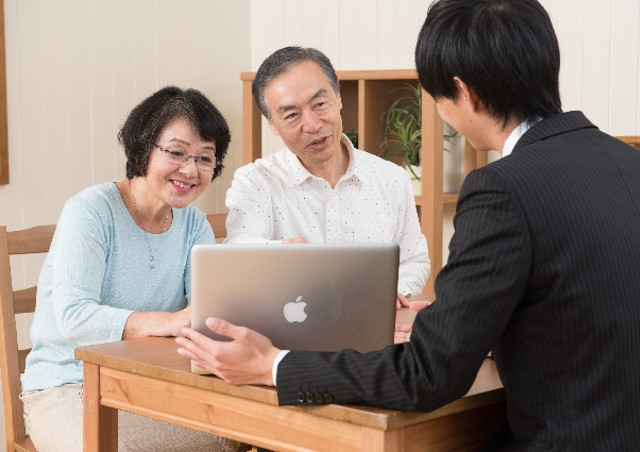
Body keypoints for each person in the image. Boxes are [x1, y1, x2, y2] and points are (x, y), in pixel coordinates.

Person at [175, 0, 640, 449]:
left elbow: (427, 375)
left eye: (437, 97)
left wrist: (273, 365)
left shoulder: (500, 189)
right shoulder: (628, 163)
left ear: (467, 95)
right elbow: (575, 305)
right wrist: (460, 321)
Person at [21, 86, 248, 452]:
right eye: (176, 152)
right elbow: (75, 318)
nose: (190, 170)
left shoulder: (194, 225)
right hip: (67, 384)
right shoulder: (91, 211)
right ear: (143, 147)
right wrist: (170, 321)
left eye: (205, 158)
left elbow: (203, 317)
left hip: (151, 380)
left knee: (239, 433)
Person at [224, 46, 429, 306]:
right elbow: (238, 251)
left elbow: (414, 260)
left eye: (320, 104)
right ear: (272, 125)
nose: (312, 125)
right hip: (292, 329)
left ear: (339, 98)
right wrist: (280, 254)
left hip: (371, 325)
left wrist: (388, 293)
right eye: (291, 115)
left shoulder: (391, 179)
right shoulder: (255, 181)